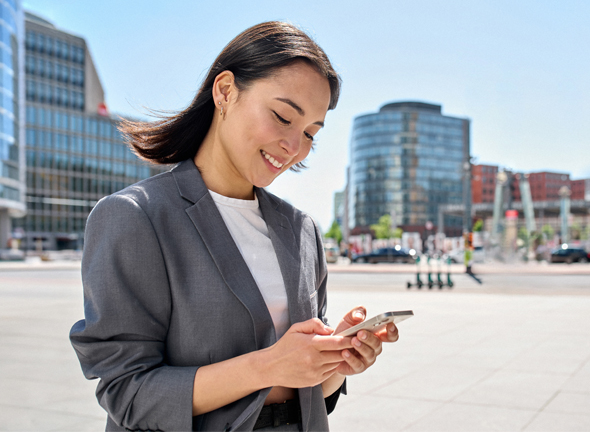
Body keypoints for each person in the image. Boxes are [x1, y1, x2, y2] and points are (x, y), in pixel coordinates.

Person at [69, 21, 399, 432]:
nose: (294, 148)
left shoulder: (302, 230)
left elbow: (310, 390)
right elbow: (127, 393)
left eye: (311, 133)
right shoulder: (137, 216)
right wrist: (267, 366)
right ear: (225, 92)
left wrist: (339, 360)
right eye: (282, 117)